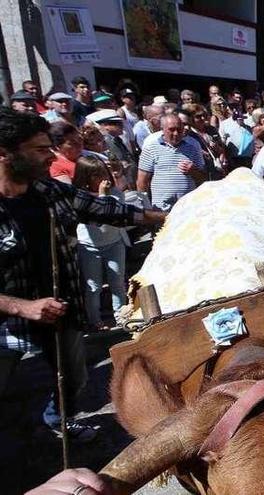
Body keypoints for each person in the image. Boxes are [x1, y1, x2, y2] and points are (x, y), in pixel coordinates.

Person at [0, 108, 164, 444]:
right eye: (40, 150)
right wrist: (21, 307)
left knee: (73, 380)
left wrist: (174, 215)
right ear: (6, 153)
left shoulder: (49, 192)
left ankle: (57, 421)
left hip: (61, 312)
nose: (52, 156)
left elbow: (112, 210)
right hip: (7, 325)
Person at [71, 156, 128, 330]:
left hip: (114, 243)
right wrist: (102, 196)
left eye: (104, 173)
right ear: (85, 178)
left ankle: (121, 317)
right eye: (96, 175)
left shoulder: (115, 193)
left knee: (117, 282)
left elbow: (117, 213)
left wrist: (109, 193)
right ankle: (95, 321)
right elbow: (99, 216)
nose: (102, 178)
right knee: (93, 287)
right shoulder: (80, 197)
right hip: (90, 246)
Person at [137, 114, 206, 211]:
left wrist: (193, 171)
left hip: (188, 207)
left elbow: (203, 179)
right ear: (162, 129)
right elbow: (142, 182)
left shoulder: (192, 148)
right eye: (171, 129)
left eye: (179, 129)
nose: (176, 133)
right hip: (162, 209)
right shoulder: (151, 149)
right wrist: (145, 208)